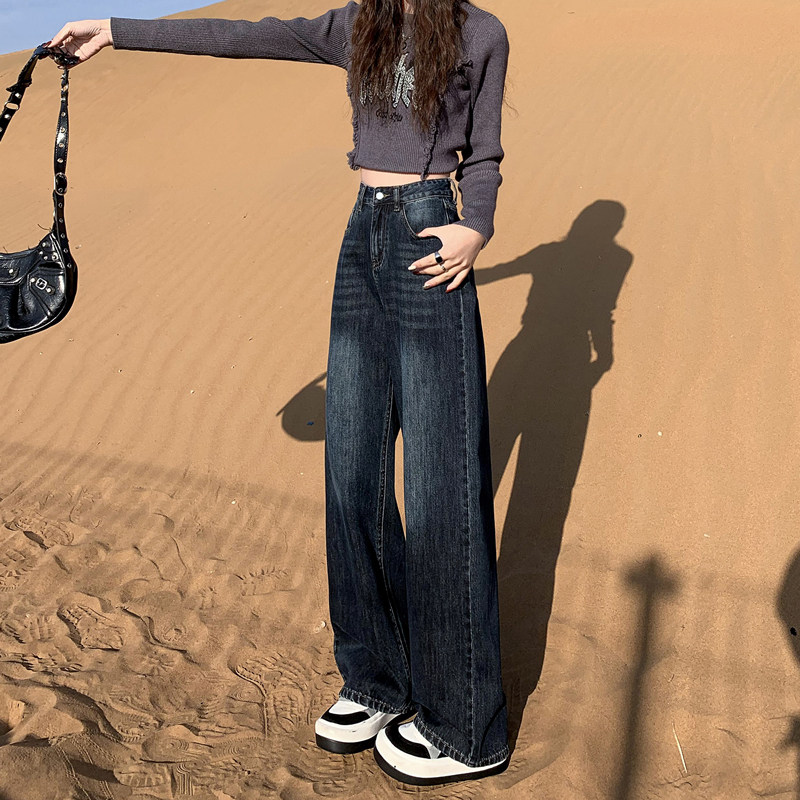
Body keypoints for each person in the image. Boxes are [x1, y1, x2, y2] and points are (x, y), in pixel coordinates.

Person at [49, 0, 511, 786]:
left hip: (431, 236)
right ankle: (378, 679)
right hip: (362, 239)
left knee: (442, 483)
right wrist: (119, 31)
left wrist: (479, 226)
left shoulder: (479, 31)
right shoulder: (359, 24)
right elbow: (247, 35)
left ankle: (467, 725)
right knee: (351, 469)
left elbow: (487, 152)